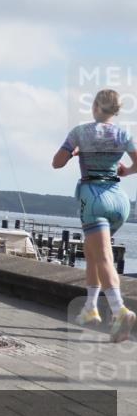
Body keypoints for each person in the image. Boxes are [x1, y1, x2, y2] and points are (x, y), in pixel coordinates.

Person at [52, 88, 136, 342]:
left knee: (103, 257)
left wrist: (73, 152)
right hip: (119, 201)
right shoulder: (123, 134)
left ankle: (120, 309)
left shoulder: (80, 132)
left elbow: (57, 162)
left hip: (94, 198)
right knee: (92, 253)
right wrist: (126, 171)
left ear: (96, 107)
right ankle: (90, 308)